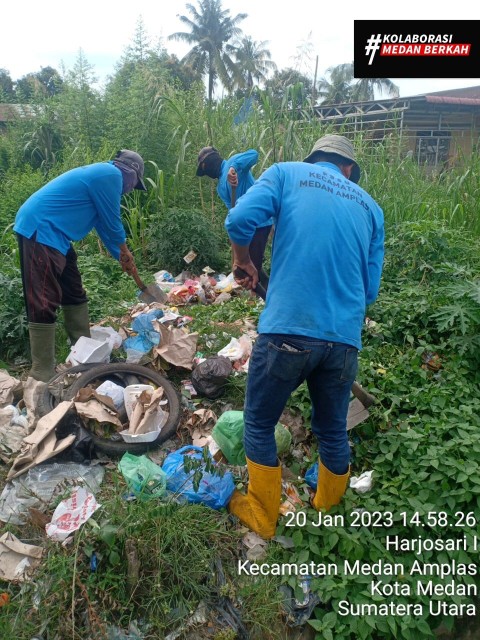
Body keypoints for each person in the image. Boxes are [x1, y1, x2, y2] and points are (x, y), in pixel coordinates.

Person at [224, 134, 385, 538]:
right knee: (332, 428)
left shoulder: (285, 173)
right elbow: (370, 291)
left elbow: (238, 220)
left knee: (260, 424)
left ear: (315, 159)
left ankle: (263, 515)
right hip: (344, 341)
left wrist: (243, 260)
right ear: (349, 169)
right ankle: (328, 510)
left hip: (287, 333)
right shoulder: (371, 208)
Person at [13, 149, 147, 382]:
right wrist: (125, 250)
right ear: (131, 173)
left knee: (73, 289)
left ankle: (84, 352)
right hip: (41, 229)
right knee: (43, 298)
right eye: (134, 185)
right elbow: (113, 221)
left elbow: (105, 227)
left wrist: (121, 256)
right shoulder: (110, 175)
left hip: (59, 237)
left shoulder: (103, 178)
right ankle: (42, 371)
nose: (130, 190)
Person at [196, 146, 272, 294]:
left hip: (259, 222)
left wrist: (233, 169)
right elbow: (233, 210)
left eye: (206, 167)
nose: (207, 172)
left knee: (248, 268)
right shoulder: (220, 187)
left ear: (212, 161)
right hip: (244, 226)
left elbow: (254, 155)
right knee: (249, 263)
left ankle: (265, 299)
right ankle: (268, 293)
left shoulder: (233, 162)